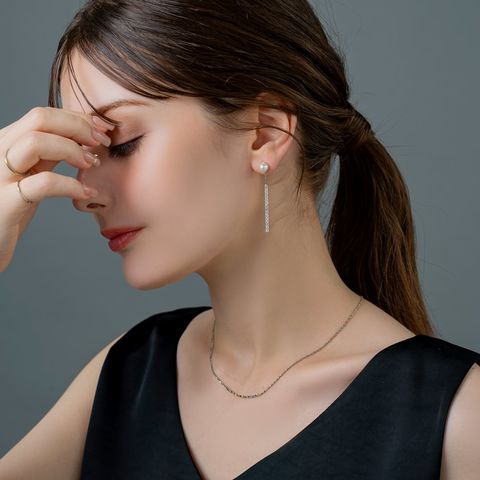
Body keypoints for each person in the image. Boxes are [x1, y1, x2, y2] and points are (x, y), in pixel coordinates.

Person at [0, 0, 479, 478]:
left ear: (265, 132)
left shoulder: (460, 415)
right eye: (82, 154)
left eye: (121, 143)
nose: (85, 194)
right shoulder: (129, 374)